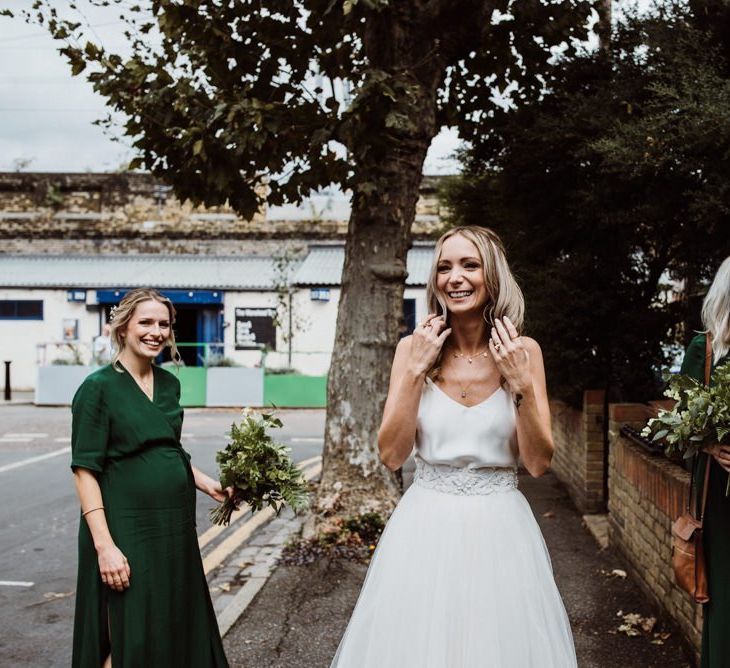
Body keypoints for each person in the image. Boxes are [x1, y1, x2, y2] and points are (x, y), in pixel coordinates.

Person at [331, 226, 576, 667]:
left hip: (502, 530)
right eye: (444, 267)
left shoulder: (525, 353)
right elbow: (391, 454)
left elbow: (538, 463)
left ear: (492, 276)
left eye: (469, 265)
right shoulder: (412, 349)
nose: (455, 278)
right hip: (424, 528)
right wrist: (414, 372)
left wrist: (520, 385)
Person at [70, 288, 229, 668]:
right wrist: (104, 547)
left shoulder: (170, 384)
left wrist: (206, 483)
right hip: (126, 527)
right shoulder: (97, 388)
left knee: (170, 622)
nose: (156, 331)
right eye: (146, 322)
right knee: (127, 629)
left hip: (174, 527)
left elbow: (165, 448)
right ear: (122, 327)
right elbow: (84, 471)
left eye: (164, 324)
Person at [679, 256, 730, 668]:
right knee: (726, 603)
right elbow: (679, 425)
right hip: (722, 505)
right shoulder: (707, 348)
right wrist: (710, 446)